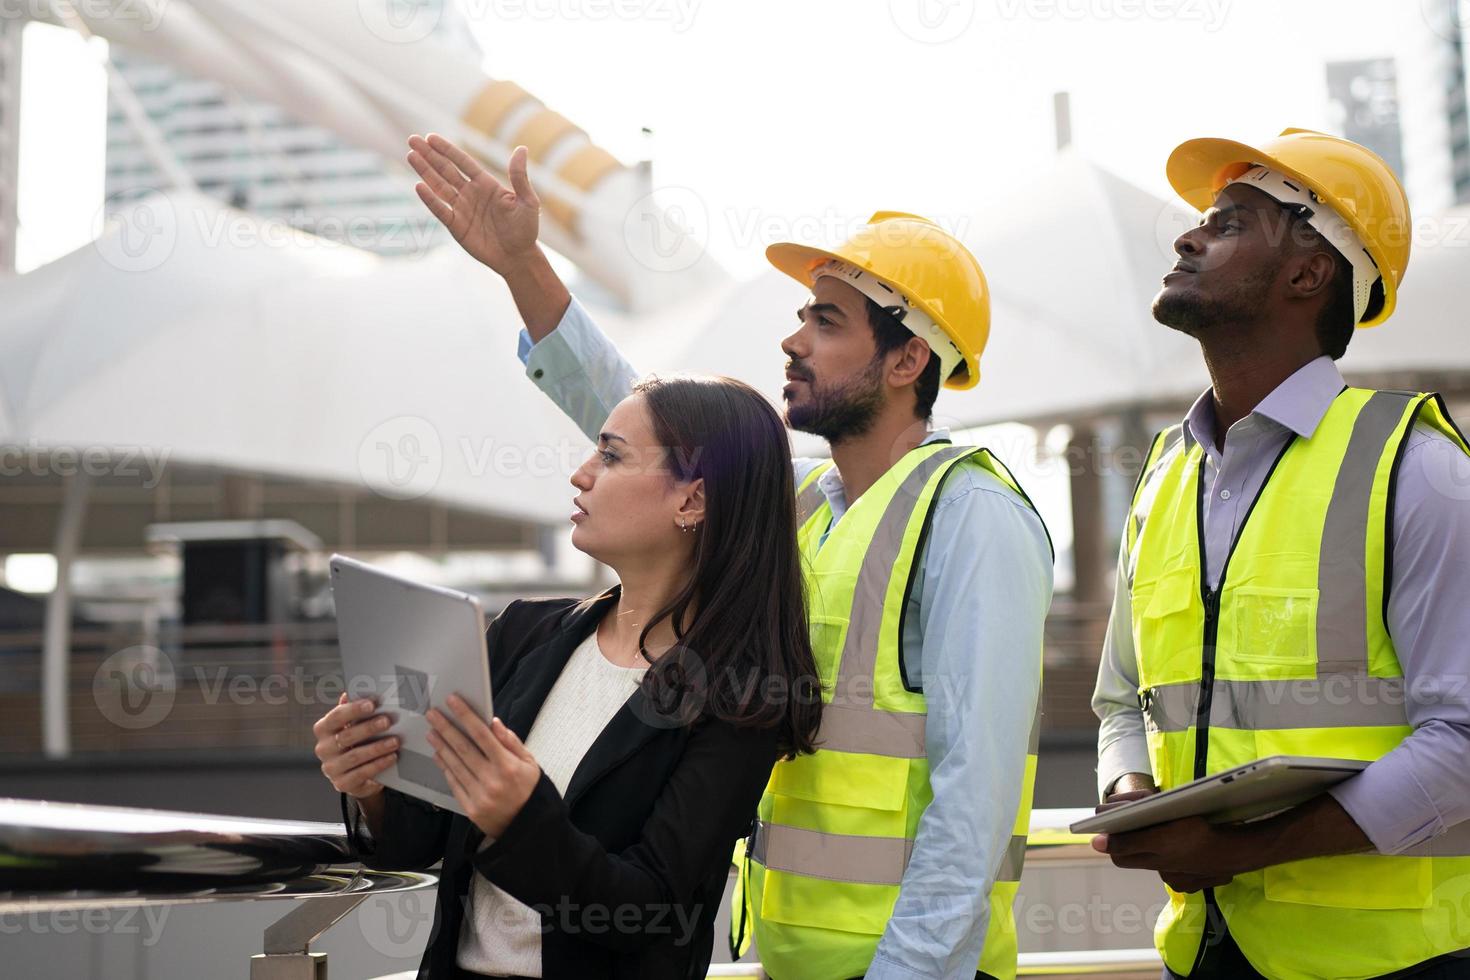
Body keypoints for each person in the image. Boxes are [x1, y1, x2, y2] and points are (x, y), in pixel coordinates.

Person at [404, 132, 1055, 980]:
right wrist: (524, 269)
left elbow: (977, 796)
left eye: (826, 322)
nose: (793, 342)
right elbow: (650, 429)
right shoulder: (814, 505)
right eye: (801, 318)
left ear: (908, 359)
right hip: (795, 961)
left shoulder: (973, 518)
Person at [1090, 128, 1470, 979]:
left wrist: (1237, 851)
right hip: (1205, 952)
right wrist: (1129, 795)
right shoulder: (1163, 474)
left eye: (1227, 225)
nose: (1188, 237)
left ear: (1308, 272)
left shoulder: (1418, 469)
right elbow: (1121, 700)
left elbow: (1465, 738)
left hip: (1394, 963)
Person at [314, 374, 823, 980]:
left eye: (611, 455)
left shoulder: (739, 698)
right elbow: (419, 843)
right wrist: (371, 781)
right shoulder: (523, 633)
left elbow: (650, 911)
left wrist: (520, 819)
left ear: (693, 500)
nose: (581, 474)